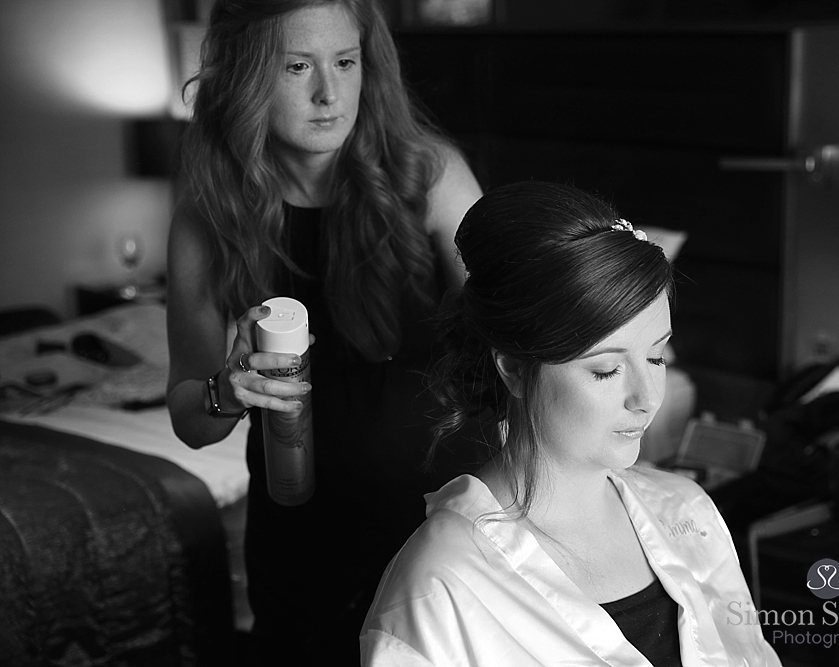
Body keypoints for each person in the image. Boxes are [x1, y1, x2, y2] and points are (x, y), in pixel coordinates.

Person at [164, 0, 483, 662]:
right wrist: (227, 389)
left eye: (345, 61)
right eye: (296, 66)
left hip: (442, 524)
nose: (329, 93)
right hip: (297, 533)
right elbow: (190, 416)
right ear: (248, 75)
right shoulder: (210, 213)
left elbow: (517, 318)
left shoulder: (431, 174)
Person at [360, 181, 782, 666]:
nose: (647, 399)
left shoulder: (687, 512)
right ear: (514, 369)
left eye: (657, 357)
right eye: (606, 369)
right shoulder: (436, 593)